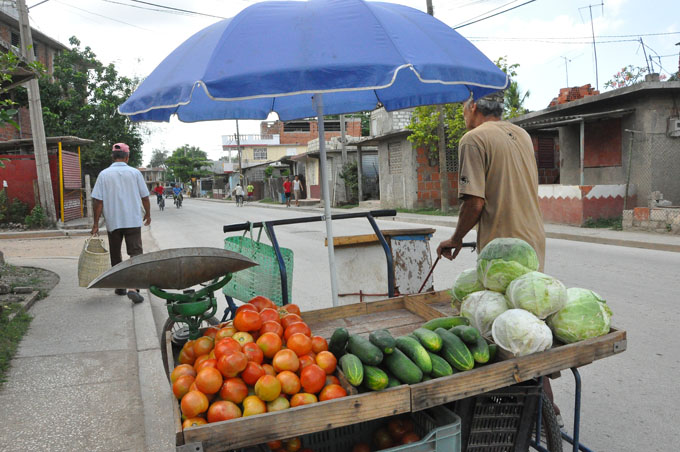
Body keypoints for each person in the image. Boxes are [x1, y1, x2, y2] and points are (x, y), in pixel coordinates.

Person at [435, 91, 557, 424]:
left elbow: (474, 202)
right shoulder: (520, 133)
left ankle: (520, 413)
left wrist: (456, 239)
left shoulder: (472, 140)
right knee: (530, 322)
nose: (462, 111)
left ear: (472, 106)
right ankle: (547, 411)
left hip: (503, 248)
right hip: (532, 240)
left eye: (462, 105)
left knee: (503, 330)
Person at [91, 143, 150, 304]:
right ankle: (133, 287)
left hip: (113, 220)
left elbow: (97, 200)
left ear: (112, 156)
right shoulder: (135, 173)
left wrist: (96, 223)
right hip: (132, 220)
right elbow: (145, 197)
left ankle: (120, 286)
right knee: (136, 253)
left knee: (115, 254)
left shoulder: (104, 174)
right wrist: (148, 214)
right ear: (127, 157)